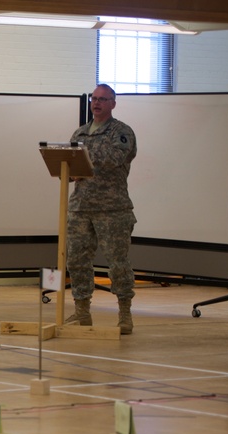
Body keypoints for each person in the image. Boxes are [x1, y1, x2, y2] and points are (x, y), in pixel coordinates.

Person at [66, 84, 138, 334]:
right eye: (94, 99)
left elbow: (114, 158)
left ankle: (125, 314)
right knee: (76, 260)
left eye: (103, 99)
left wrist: (83, 155)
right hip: (81, 207)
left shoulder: (122, 131)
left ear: (113, 104)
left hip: (112, 209)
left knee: (117, 262)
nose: (96, 103)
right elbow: (73, 165)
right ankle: (82, 312)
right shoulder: (80, 133)